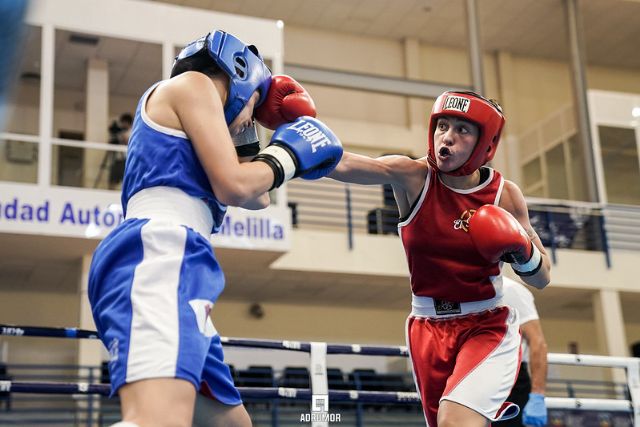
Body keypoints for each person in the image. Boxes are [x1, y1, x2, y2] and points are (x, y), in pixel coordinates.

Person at [88, 29, 341, 427]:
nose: (249, 122)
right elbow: (236, 185)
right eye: (254, 107)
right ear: (241, 77)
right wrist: (288, 154)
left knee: (233, 424)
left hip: (175, 258)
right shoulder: (194, 84)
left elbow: (258, 198)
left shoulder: (199, 118)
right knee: (156, 420)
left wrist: (258, 143)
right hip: (159, 251)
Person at [328, 91, 551, 426]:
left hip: (486, 324)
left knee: (455, 421)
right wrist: (295, 142)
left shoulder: (504, 194)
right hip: (426, 327)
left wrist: (522, 249)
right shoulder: (413, 176)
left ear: (485, 144)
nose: (447, 136)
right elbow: (345, 163)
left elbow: (543, 277)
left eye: (462, 129)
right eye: (442, 125)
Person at [495, 277, 548, 427]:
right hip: (475, 377)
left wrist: (537, 395)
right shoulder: (463, 291)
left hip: (511, 380)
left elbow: (537, 342)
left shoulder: (510, 289)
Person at [107, 113, 133, 190]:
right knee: (112, 181)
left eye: (124, 122)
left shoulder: (132, 132)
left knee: (125, 181)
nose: (123, 124)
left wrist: (122, 136)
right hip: (117, 159)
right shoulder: (120, 132)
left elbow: (128, 142)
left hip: (126, 160)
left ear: (128, 123)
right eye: (122, 122)